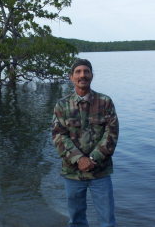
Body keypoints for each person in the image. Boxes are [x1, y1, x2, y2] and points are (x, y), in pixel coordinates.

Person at [52, 58, 119, 227]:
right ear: (71, 77)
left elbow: (111, 133)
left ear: (92, 75)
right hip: (72, 173)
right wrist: (79, 159)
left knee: (108, 222)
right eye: (78, 72)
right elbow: (59, 136)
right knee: (76, 221)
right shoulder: (61, 105)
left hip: (100, 172)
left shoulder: (105, 102)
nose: (83, 75)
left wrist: (93, 159)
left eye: (86, 71)